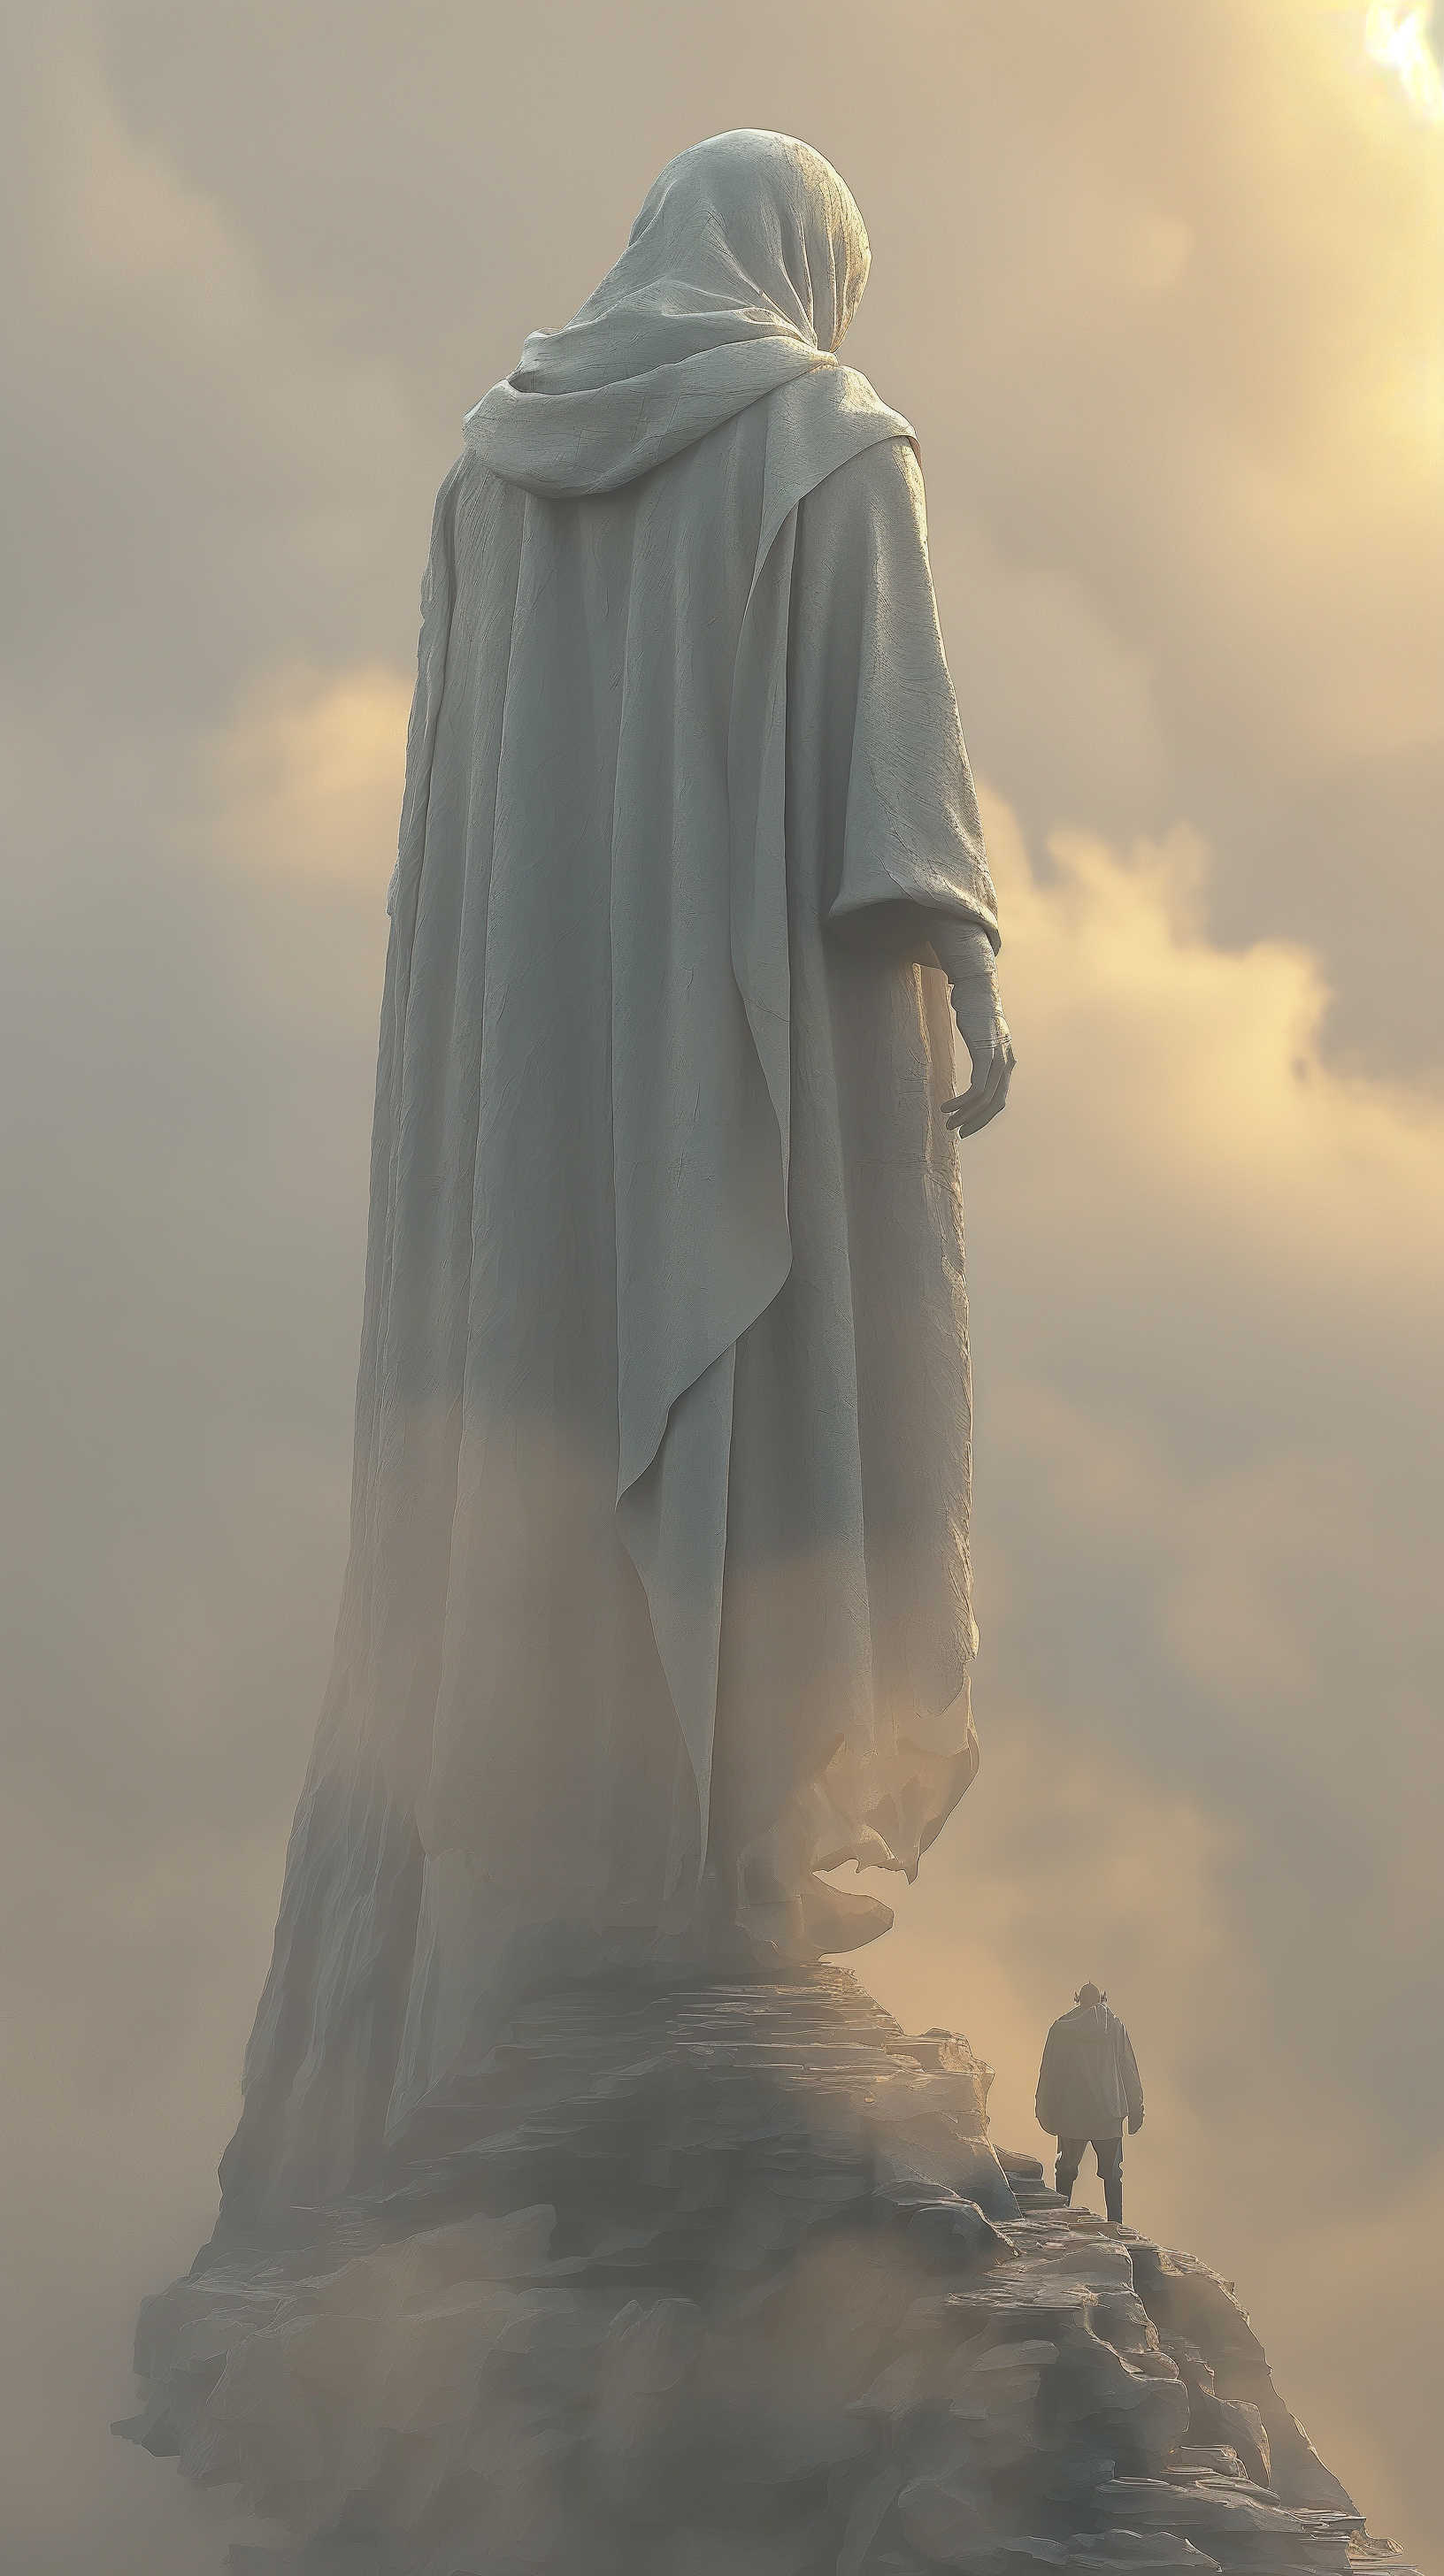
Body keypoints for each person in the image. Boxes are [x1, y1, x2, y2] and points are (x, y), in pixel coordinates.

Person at [217, 130, 1015, 2227]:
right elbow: (891, 771)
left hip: (538, 1097)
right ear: (805, 268)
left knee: (551, 1407)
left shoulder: (492, 475)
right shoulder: (836, 445)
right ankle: (725, 1863)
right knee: (778, 1396)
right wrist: (974, 978)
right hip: (760, 1037)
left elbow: (454, 841)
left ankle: (578, 1855)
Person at [1035, 1983, 1144, 2224]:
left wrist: (1045, 2108)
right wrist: (1136, 2109)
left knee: (1065, 2169)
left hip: (1072, 2110)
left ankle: (1060, 2221)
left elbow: (1050, 2072)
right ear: (1101, 2000)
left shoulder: (1061, 2028)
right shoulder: (1115, 2027)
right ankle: (1116, 2223)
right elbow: (1127, 2068)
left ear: (1078, 1999)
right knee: (1113, 2173)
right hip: (1108, 2110)